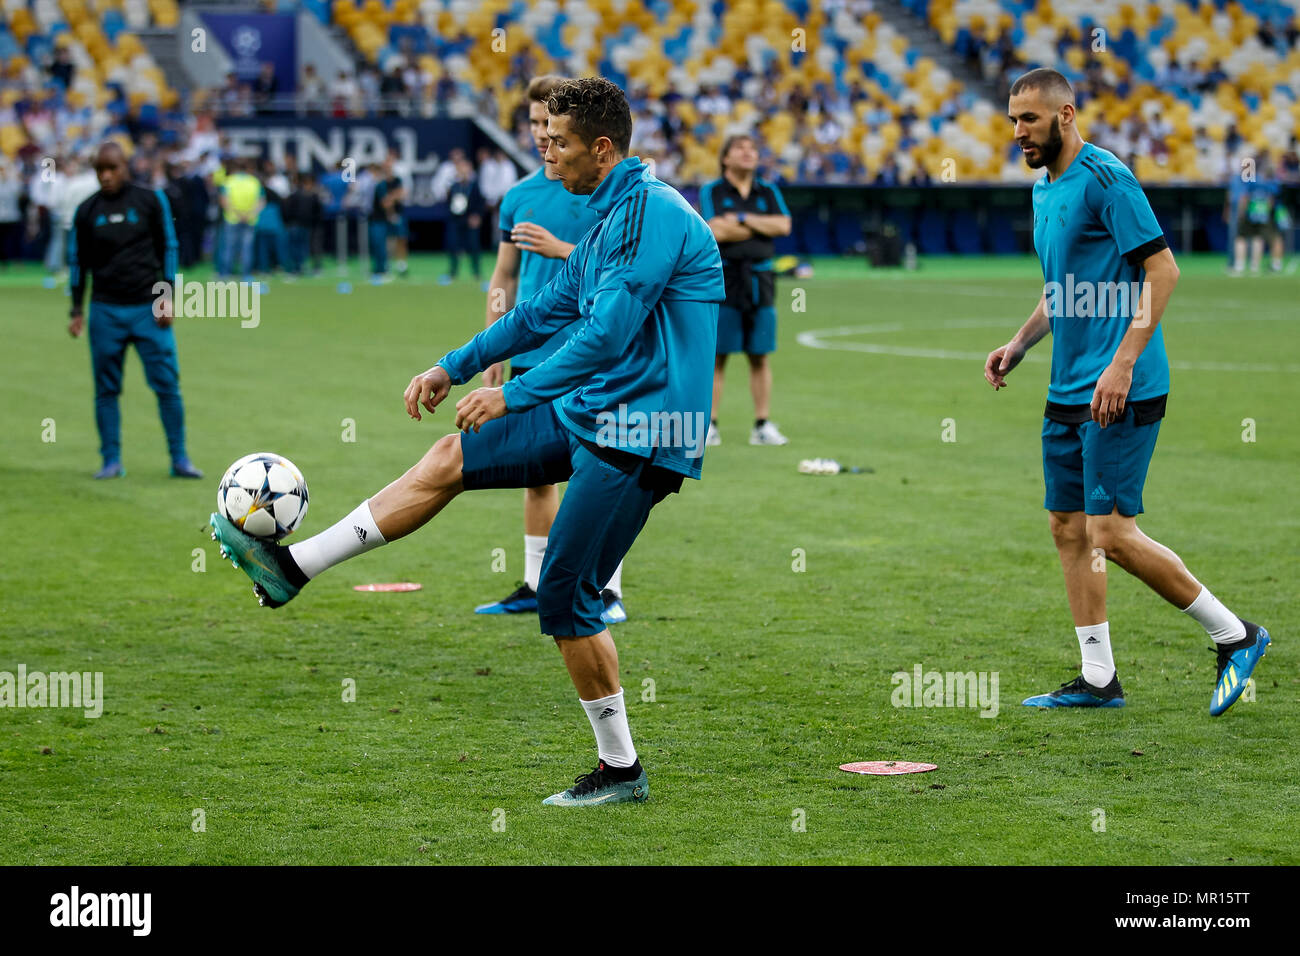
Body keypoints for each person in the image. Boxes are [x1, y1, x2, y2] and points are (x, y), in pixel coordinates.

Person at [209, 77, 723, 806]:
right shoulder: (612, 214)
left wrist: (510, 392)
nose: (548, 151)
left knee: (566, 599)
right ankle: (293, 566)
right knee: (449, 457)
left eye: (561, 142)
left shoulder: (653, 213)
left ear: (602, 149)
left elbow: (607, 332)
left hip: (642, 432)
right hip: (594, 410)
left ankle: (621, 770)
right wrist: (451, 365)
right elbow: (546, 309)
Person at [986, 68, 1269, 716]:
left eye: (1028, 118)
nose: (1017, 131)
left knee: (1109, 532)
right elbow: (1062, 287)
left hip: (1121, 386)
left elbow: (1162, 269)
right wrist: (1021, 343)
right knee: (1067, 529)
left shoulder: (1107, 178)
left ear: (1065, 113)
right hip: (1067, 387)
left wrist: (1122, 364)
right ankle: (1098, 677)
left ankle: (1237, 634)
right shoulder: (1042, 190)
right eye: (1011, 120)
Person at [474, 74, 626, 624]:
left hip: (592, 351)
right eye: (536, 124)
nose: (543, 135)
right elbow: (504, 277)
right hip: (532, 352)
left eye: (551, 126)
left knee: (601, 467)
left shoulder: (598, 188)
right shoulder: (518, 197)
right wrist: (491, 348)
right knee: (536, 474)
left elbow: (617, 266)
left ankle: (607, 590)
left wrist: (562, 248)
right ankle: (537, 583)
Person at [67, 142, 201, 480]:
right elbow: (77, 262)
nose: (106, 176)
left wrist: (166, 294)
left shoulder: (150, 199)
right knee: (106, 389)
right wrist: (75, 310)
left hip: (147, 309)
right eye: (100, 170)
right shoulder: (86, 210)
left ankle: (180, 459)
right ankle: (111, 460)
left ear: (125, 167)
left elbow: (168, 247)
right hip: (104, 311)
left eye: (112, 169)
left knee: (167, 385)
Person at [698, 134, 792, 446]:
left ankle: (762, 424)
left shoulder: (768, 190)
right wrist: (759, 227)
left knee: (760, 355)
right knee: (716, 356)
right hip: (724, 279)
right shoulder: (712, 190)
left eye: (753, 148)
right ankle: (709, 425)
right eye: (739, 148)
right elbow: (714, 229)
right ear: (725, 157)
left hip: (762, 281)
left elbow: (783, 226)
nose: (748, 152)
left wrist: (741, 219)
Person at [440, 151, 484, 284]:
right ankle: (452, 272)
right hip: (456, 220)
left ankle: (477, 273)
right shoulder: (454, 186)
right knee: (453, 245)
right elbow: (449, 203)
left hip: (470, 220)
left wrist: (477, 216)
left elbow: (480, 203)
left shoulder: (474, 186)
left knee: (474, 246)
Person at [217, 158, 262, 278]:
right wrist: (250, 214)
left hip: (232, 219)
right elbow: (261, 201)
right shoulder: (254, 182)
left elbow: (224, 201)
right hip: (250, 219)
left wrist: (237, 214)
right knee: (247, 248)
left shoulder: (228, 181)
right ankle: (246, 274)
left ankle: (225, 274)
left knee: (228, 247)